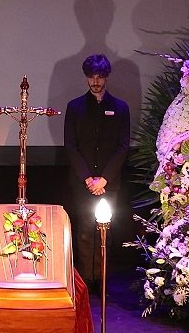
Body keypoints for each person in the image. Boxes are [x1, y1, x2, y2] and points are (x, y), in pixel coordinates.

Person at [63, 54, 129, 286]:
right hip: (83, 181)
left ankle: (100, 280)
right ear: (86, 78)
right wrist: (88, 178)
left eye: (100, 76)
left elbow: (122, 147)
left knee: (104, 232)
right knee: (84, 230)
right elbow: (70, 146)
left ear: (106, 77)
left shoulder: (120, 108)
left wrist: (104, 179)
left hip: (109, 183)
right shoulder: (75, 107)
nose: (95, 81)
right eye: (91, 76)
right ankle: (85, 280)